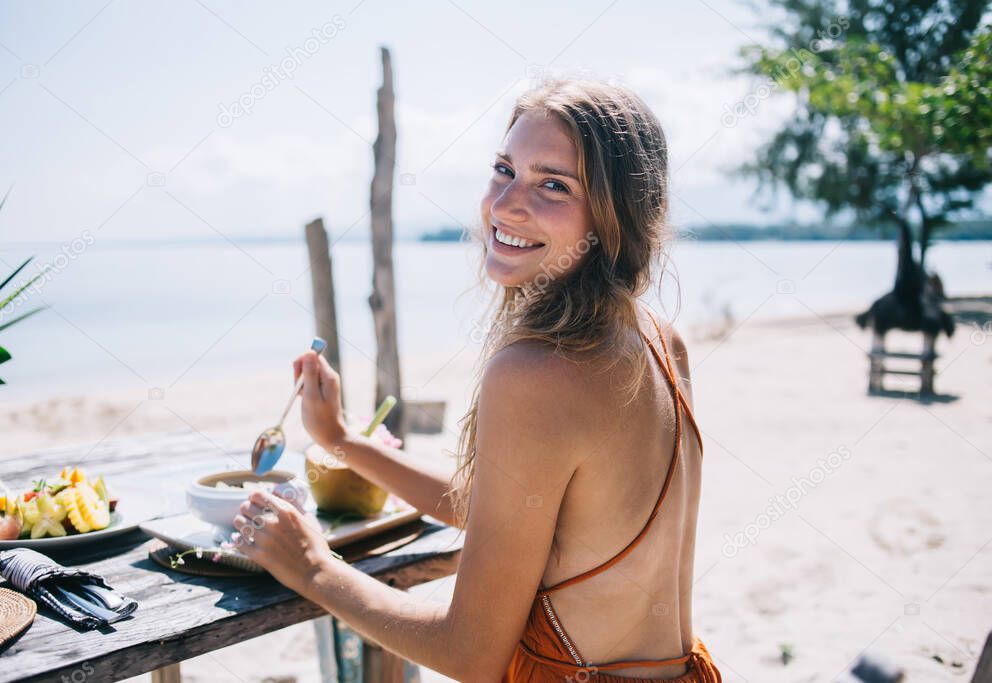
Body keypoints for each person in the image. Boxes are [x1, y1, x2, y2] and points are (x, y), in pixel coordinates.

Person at [233, 78, 722, 682]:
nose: (507, 204)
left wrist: (312, 567)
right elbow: (516, 512)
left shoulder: (536, 374)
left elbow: (471, 654)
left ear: (616, 215)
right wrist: (342, 441)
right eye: (503, 169)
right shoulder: (658, 337)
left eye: (554, 185)